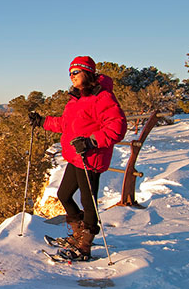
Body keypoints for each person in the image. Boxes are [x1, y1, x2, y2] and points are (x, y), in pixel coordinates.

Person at [29, 56, 127, 260]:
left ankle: (85, 245)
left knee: (88, 201)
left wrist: (91, 142)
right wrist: (42, 121)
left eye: (75, 72)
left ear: (87, 72)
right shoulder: (78, 98)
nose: (71, 77)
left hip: (90, 158)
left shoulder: (103, 97)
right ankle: (77, 233)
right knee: (64, 195)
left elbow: (117, 127)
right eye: (69, 73)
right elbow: (65, 124)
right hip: (76, 157)